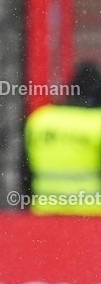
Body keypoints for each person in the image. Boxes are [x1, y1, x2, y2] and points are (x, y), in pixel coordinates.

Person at [24, 63, 101, 215]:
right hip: (91, 214)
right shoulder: (97, 123)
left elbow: (24, 172)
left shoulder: (41, 120)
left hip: (45, 212)